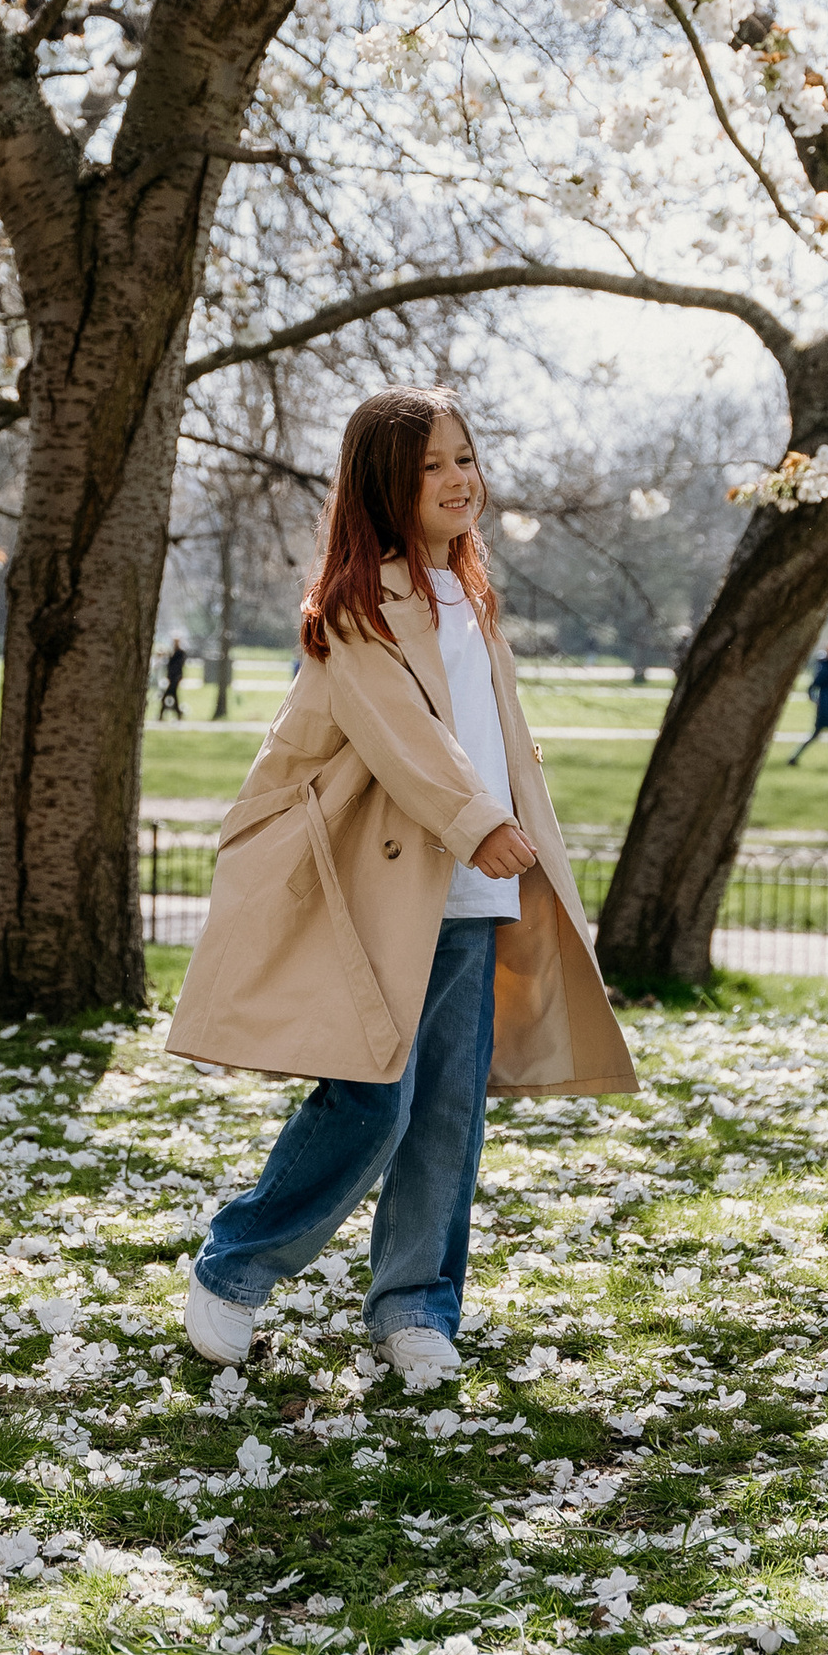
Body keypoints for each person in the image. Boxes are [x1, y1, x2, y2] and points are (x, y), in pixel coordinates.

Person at [166, 388, 637, 1388]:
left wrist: (503, 835)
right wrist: (479, 823)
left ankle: (416, 1305)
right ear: (386, 484)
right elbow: (402, 735)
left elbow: (489, 736)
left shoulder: (471, 596)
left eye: (465, 458)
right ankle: (235, 1266)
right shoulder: (356, 608)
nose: (459, 480)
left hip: (474, 892)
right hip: (387, 887)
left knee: (447, 1115)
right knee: (370, 1099)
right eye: (432, 466)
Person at [787, 641, 828, 770]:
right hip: (825, 705)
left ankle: (794, 757)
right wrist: (815, 700)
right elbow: (814, 685)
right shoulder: (826, 668)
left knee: (816, 734)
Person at [158, 636, 189, 720]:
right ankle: (178, 713)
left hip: (175, 677)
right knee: (174, 696)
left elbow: (177, 665)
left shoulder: (180, 653)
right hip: (172, 677)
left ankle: (162, 714)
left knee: (166, 696)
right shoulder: (173, 652)